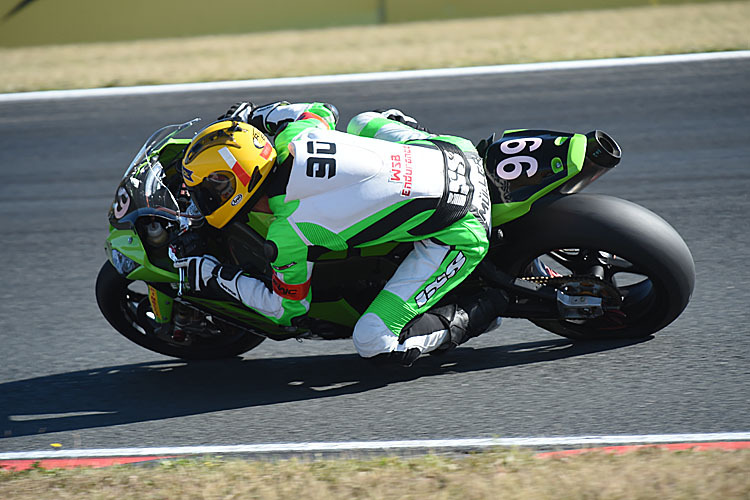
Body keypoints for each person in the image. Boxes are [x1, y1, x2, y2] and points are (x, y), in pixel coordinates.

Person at [175, 101, 506, 366]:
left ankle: (484, 310)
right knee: (363, 120)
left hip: (462, 224)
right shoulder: (294, 138)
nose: (199, 199)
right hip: (454, 151)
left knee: (374, 340)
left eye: (205, 189)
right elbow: (319, 111)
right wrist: (254, 114)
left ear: (233, 185)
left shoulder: (286, 233)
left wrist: (212, 274)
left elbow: (287, 309)